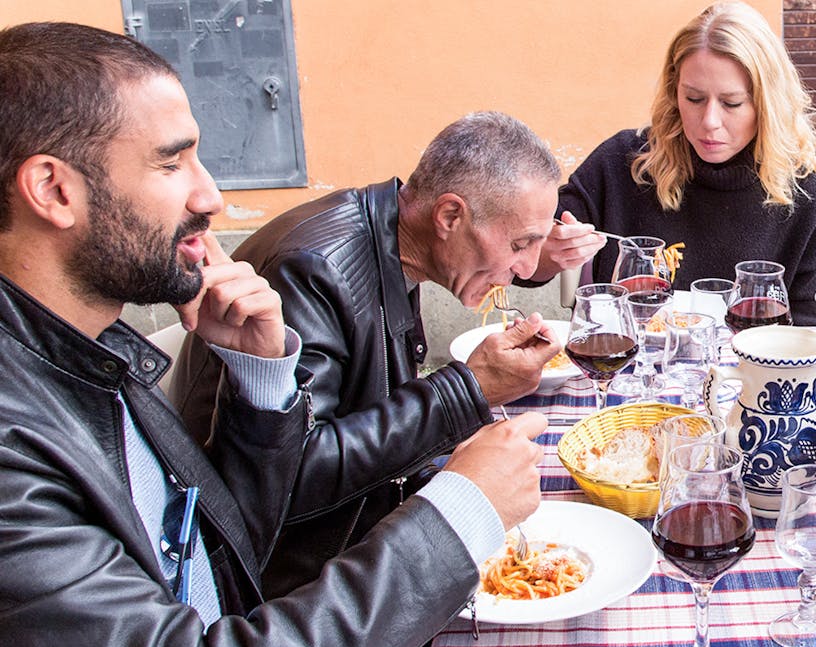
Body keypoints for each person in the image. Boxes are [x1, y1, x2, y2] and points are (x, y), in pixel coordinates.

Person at [0, 22, 544, 647]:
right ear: (54, 189)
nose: (209, 196)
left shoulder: (98, 353)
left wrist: (261, 387)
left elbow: (224, 569)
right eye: (171, 161)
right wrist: (456, 511)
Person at [172, 112, 561, 597]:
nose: (525, 268)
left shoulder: (390, 238)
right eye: (520, 244)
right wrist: (467, 390)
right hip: (264, 575)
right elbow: (290, 478)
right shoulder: (314, 268)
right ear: (449, 216)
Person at [529, 1, 816, 326]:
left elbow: (812, 324)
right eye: (694, 99)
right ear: (674, 91)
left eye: (731, 103)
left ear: (767, 104)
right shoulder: (622, 163)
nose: (709, 122)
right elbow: (527, 259)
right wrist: (550, 251)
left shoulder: (799, 188)